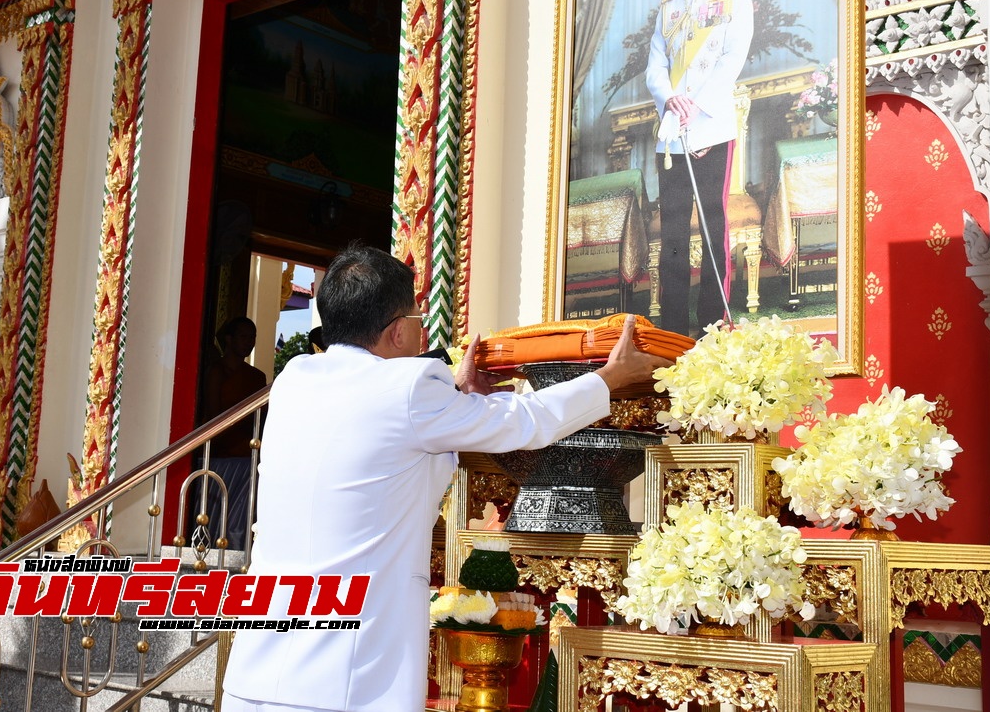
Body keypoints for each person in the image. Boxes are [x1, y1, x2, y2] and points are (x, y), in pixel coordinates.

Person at [221, 244, 670, 712]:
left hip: (260, 668)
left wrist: (459, 398)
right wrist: (610, 377)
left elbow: (384, 435)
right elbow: (526, 421)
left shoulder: (296, 378)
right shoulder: (410, 388)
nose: (421, 329)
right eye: (418, 317)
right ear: (398, 332)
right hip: (343, 681)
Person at [645, 0, 754, 336]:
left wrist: (698, 106)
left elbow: (733, 54)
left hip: (710, 126)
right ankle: (672, 328)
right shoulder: (670, 6)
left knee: (712, 227)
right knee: (672, 234)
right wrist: (670, 98)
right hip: (672, 131)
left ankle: (712, 323)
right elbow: (656, 66)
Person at [199, 316, 267, 548]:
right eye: (244, 337)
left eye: (253, 338)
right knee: (213, 509)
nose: (249, 342)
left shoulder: (257, 377)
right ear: (229, 339)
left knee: (242, 513)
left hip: (247, 456)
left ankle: (238, 547)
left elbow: (262, 419)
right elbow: (214, 414)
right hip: (220, 455)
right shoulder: (216, 372)